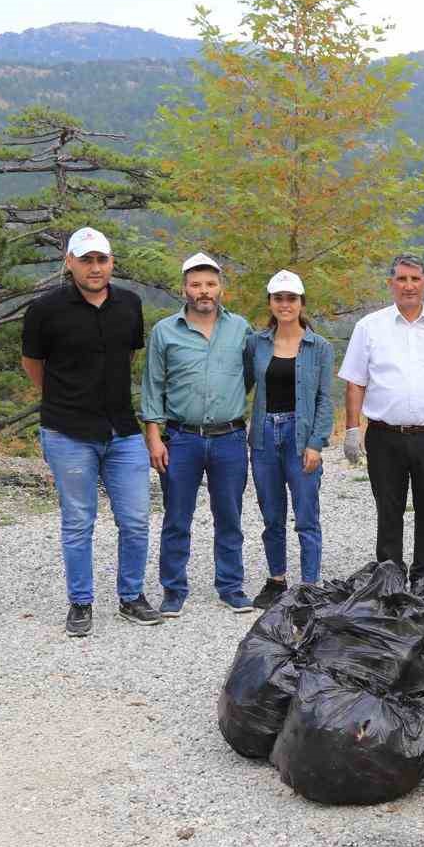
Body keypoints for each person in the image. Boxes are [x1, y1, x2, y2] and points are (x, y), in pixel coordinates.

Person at [21, 227, 159, 637]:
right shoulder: (45, 309)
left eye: (102, 259)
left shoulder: (130, 305)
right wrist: (64, 396)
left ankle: (131, 596)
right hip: (68, 431)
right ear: (70, 263)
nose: (95, 267)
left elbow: (129, 354)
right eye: (86, 260)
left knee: (135, 519)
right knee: (79, 521)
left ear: (111, 262)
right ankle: (80, 603)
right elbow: (32, 363)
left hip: (122, 429)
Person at [338, 253, 424, 578]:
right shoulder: (369, 328)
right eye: (401, 279)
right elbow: (355, 382)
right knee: (389, 508)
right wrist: (352, 429)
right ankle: (390, 574)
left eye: (414, 279)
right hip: (385, 436)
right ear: (391, 284)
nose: (408, 286)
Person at [141, 253, 256, 615]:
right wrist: (154, 437)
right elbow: (153, 385)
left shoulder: (241, 328)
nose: (203, 291)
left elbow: (249, 375)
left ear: (221, 287)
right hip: (181, 438)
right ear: (184, 288)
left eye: (210, 284)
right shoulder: (165, 331)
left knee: (230, 515)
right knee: (177, 517)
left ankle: (231, 586)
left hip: (230, 438)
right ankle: (173, 589)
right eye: (195, 285)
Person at [245, 270, 335, 609]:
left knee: (306, 513)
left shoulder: (319, 347)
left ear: (301, 303)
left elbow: (325, 399)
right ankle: (276, 579)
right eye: (278, 298)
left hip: (301, 436)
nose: (285, 304)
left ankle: (310, 584)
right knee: (272, 513)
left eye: (291, 299)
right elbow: (242, 384)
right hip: (265, 434)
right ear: (270, 302)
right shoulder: (256, 343)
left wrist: (316, 443)